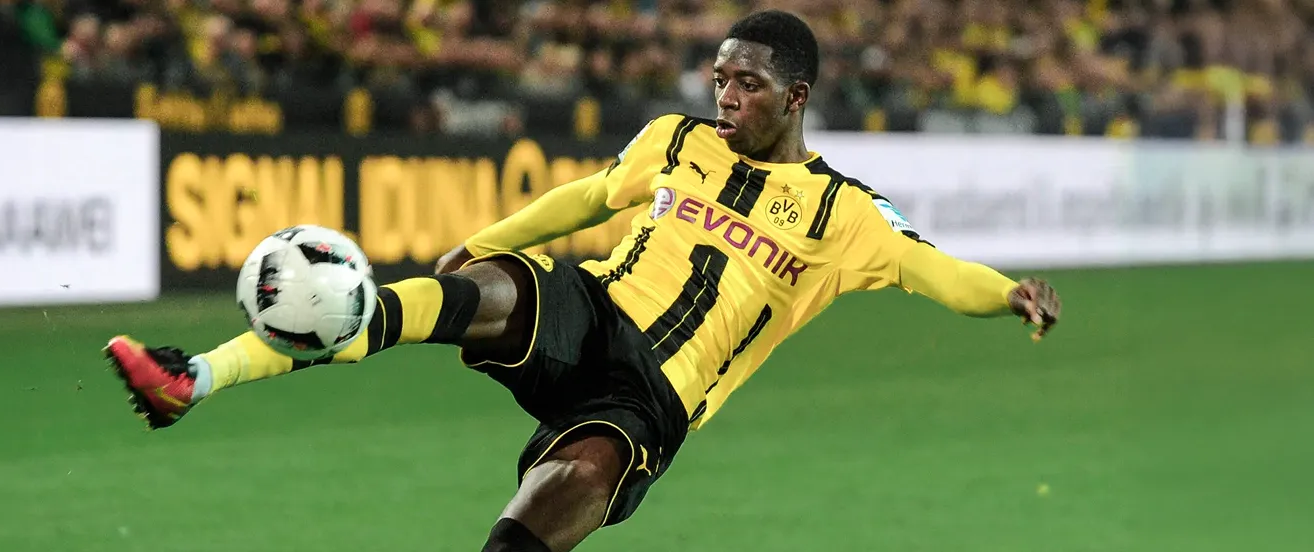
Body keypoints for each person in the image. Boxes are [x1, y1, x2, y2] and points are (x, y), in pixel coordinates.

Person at [104, 10, 1062, 552]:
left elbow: (932, 270)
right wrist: (479, 240)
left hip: (651, 399)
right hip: (592, 309)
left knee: (555, 505)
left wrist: (1009, 293)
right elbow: (588, 196)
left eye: (748, 86)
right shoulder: (675, 142)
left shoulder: (840, 213)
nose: (724, 98)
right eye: (719, 79)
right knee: (473, 293)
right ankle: (198, 375)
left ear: (796, 98)